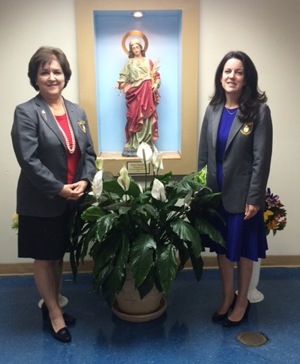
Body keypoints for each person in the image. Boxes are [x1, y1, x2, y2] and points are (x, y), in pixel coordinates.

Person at [11, 46, 96, 342]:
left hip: (73, 198)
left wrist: (85, 182)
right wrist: (59, 189)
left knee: (58, 255)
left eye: (56, 71)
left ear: (65, 75)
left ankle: (53, 303)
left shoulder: (76, 111)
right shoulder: (26, 112)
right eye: (44, 72)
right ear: (35, 77)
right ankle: (55, 313)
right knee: (44, 258)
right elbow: (28, 159)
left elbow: (88, 153)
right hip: (42, 200)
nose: (51, 77)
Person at [198, 51, 272, 327]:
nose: (232, 76)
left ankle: (242, 302)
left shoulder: (259, 111)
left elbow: (261, 159)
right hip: (215, 193)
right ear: (220, 76)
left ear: (246, 77)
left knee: (242, 249)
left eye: (238, 72)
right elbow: (204, 155)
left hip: (242, 197)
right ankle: (227, 296)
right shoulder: (213, 109)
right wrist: (200, 189)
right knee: (221, 248)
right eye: (227, 71)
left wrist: (255, 197)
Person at [117, 38, 160, 157]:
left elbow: (156, 75)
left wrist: (156, 84)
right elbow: (123, 76)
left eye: (137, 47)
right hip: (135, 92)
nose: (136, 50)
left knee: (147, 116)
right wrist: (120, 83)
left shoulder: (148, 61)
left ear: (141, 47)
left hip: (147, 90)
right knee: (133, 116)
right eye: (133, 48)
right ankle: (134, 142)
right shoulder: (129, 62)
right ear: (131, 50)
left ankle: (146, 143)